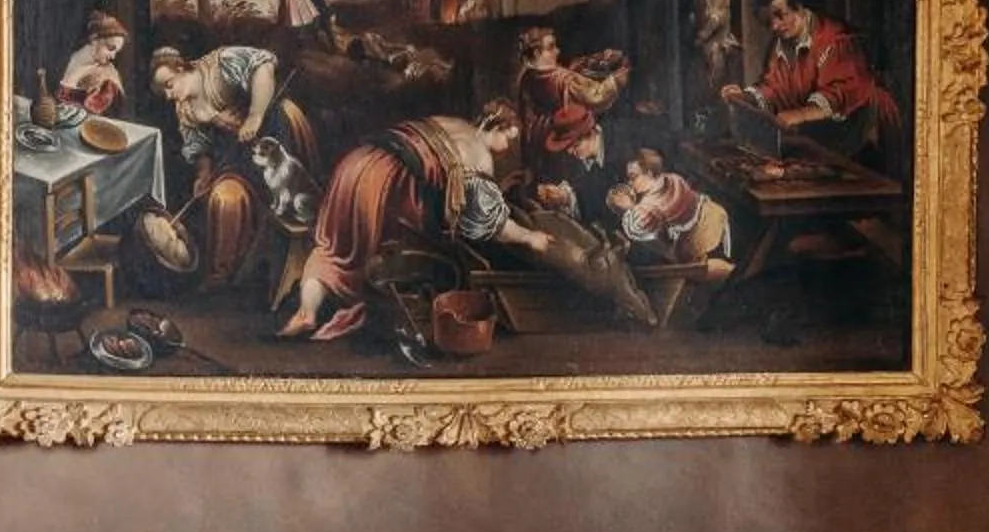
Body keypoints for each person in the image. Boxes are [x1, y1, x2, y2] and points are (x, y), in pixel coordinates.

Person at [284, 103, 544, 341]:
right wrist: (528, 236)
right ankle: (387, 313)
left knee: (332, 247)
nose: (507, 148)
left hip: (356, 164)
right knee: (410, 250)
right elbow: (492, 224)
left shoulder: (452, 121)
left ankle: (307, 312)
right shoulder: (479, 157)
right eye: (508, 138)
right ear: (495, 127)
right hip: (384, 185)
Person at [149, 43, 318, 293]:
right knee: (223, 198)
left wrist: (255, 115)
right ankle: (222, 275)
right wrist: (204, 173)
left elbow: (263, 67)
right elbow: (200, 147)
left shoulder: (220, 65)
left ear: (182, 68)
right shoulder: (185, 108)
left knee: (288, 197)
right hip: (234, 158)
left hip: (274, 139)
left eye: (169, 85)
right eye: (163, 92)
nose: (169, 95)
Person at [720, 0, 901, 160]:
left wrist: (799, 114)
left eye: (780, 16)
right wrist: (745, 97)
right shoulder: (780, 45)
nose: (774, 26)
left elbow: (842, 91)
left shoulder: (836, 39)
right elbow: (775, 88)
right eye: (768, 22)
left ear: (799, 7)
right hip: (820, 137)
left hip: (860, 131)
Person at [510, 25, 630, 197]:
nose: (557, 51)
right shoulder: (562, 79)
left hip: (539, 141)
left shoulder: (525, 78)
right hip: (564, 140)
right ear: (537, 53)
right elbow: (597, 96)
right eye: (551, 47)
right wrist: (619, 77)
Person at [604, 148, 734, 280]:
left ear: (648, 173)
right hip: (714, 210)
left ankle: (727, 273)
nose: (630, 183)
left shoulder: (649, 205)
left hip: (702, 231)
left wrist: (630, 207)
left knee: (688, 266)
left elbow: (644, 228)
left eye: (633, 177)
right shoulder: (672, 178)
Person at [56, 11, 129, 116]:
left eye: (116, 52)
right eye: (110, 48)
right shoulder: (71, 58)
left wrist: (71, 82)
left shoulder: (108, 80)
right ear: (94, 40)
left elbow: (90, 115)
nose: (113, 57)